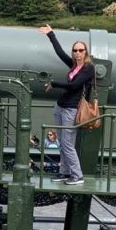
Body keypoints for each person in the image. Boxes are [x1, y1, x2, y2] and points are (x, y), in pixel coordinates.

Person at [39, 23, 95, 186]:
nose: (77, 53)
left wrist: (54, 83)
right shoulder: (74, 65)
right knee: (62, 143)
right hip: (61, 107)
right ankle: (65, 172)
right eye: (75, 50)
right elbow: (59, 53)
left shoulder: (88, 68)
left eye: (81, 50)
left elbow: (74, 86)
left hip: (71, 109)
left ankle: (77, 175)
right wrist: (51, 34)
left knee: (68, 144)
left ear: (85, 52)